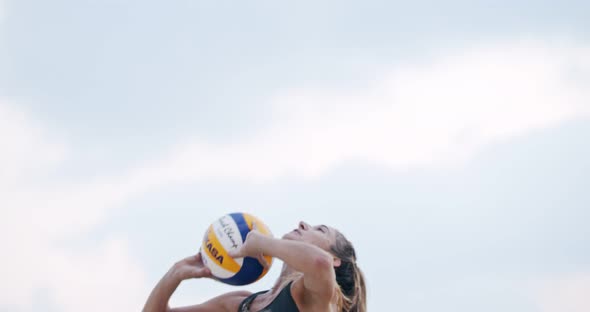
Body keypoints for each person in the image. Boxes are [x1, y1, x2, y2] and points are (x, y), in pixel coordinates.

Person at [143, 221, 366, 312]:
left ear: (335, 260)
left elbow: (318, 262)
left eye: (320, 231)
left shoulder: (313, 298)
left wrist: (261, 243)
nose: (303, 223)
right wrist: (174, 274)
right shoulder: (240, 303)